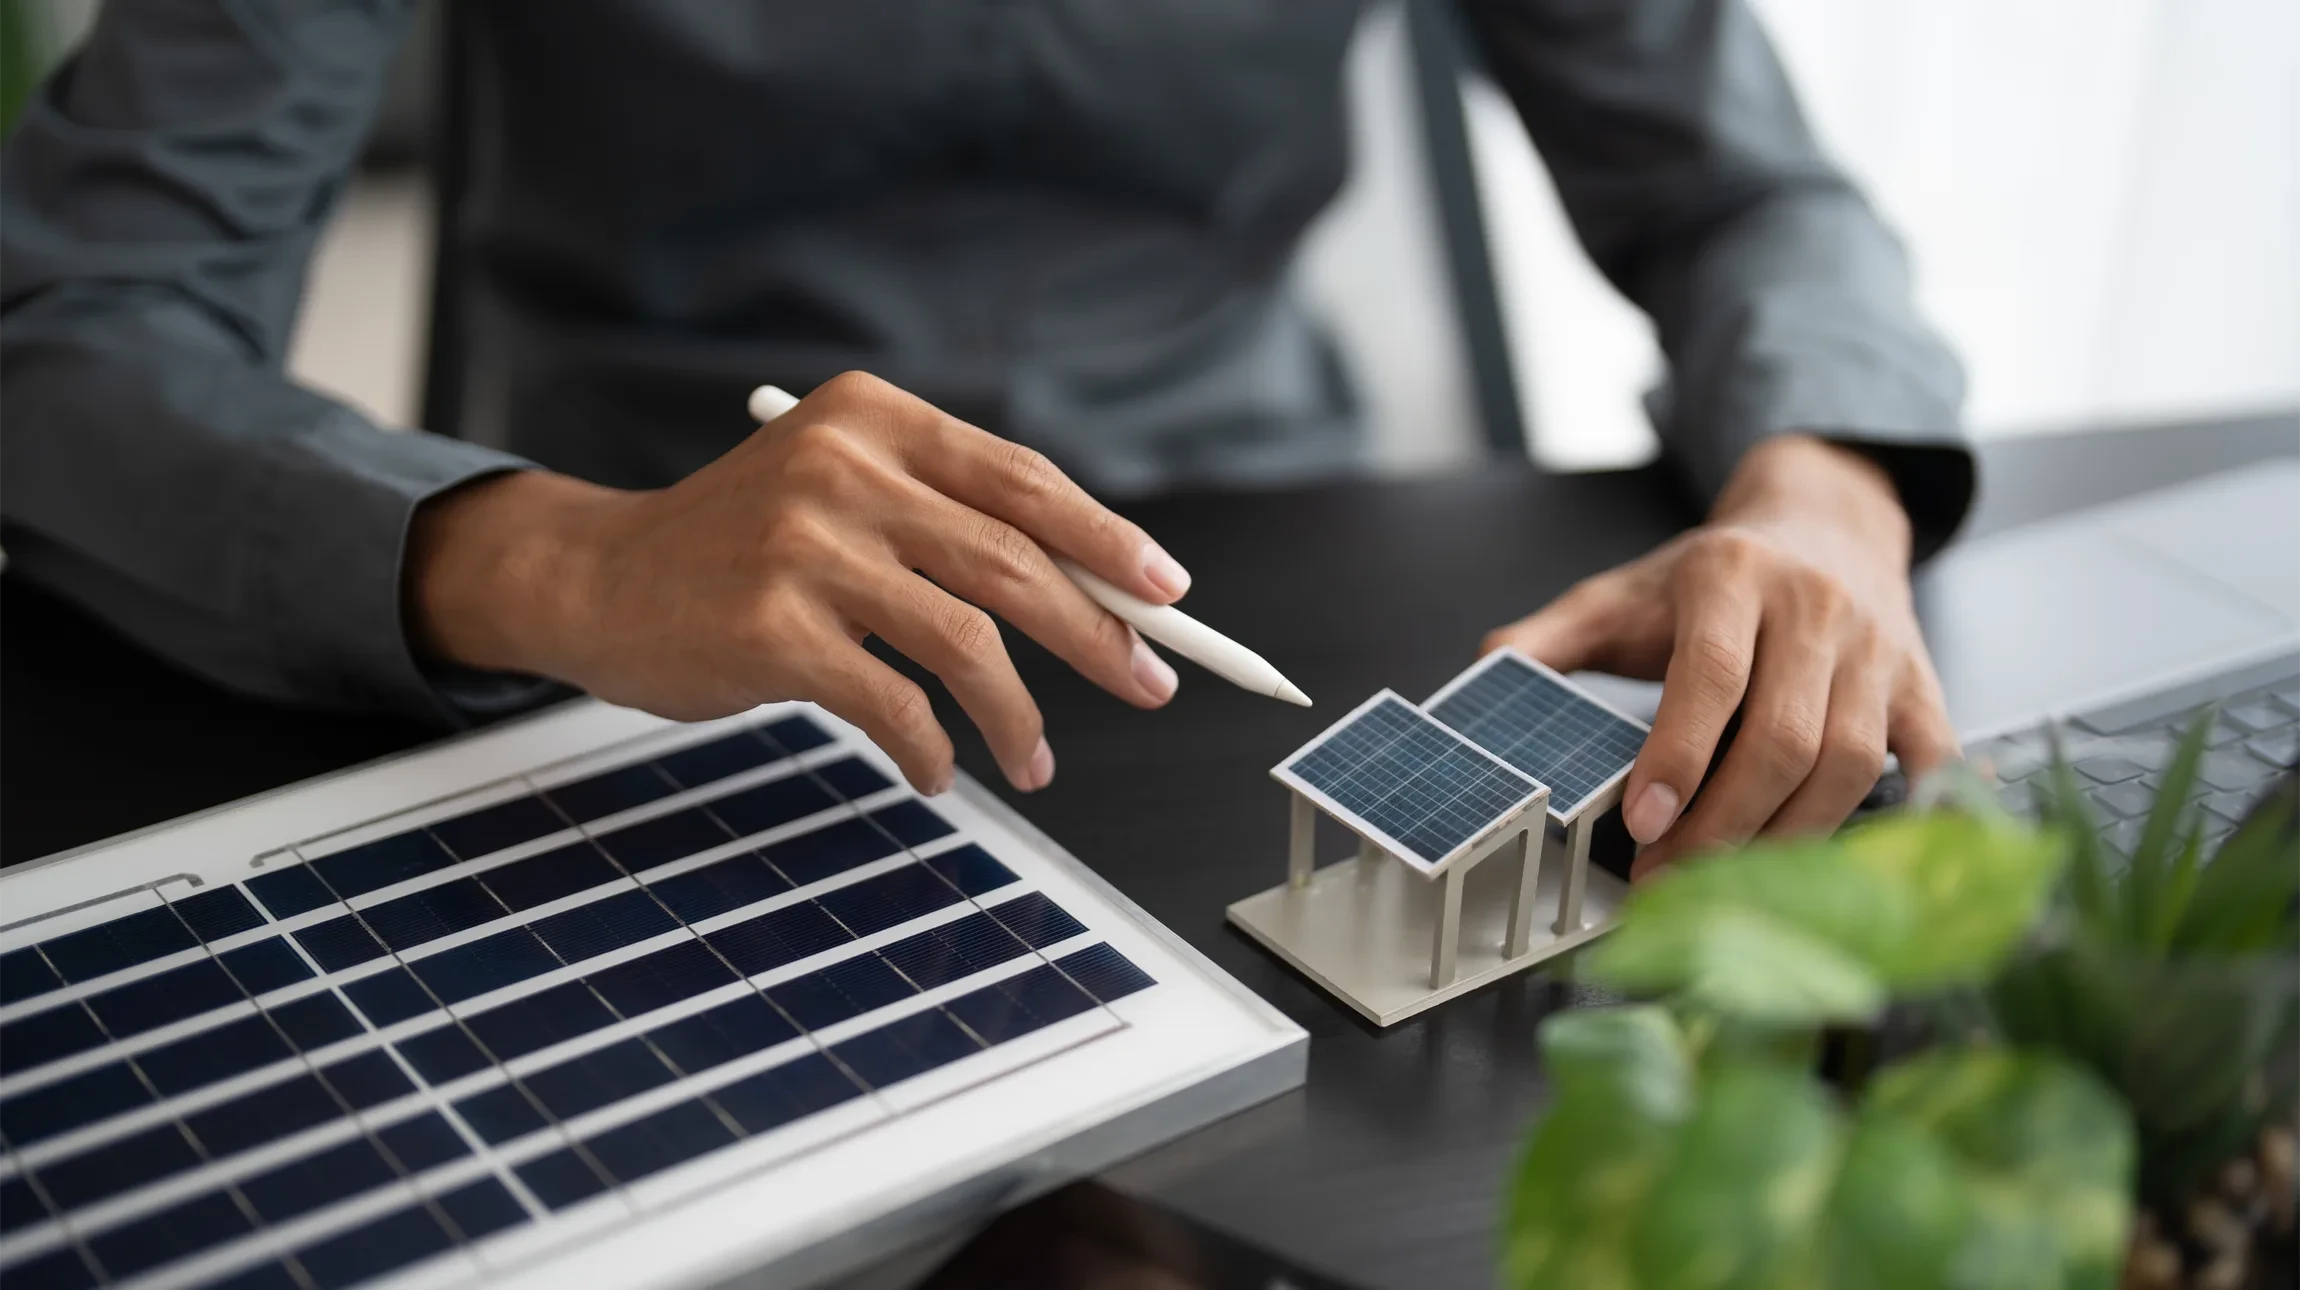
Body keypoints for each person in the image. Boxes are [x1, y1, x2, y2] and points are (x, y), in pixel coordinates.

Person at [0, 1, 1971, 874]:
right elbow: (71, 331)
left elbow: (1749, 197)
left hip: (1237, 581)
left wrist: (1823, 487)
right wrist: (565, 561)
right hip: (662, 647)